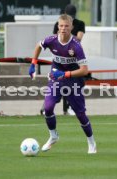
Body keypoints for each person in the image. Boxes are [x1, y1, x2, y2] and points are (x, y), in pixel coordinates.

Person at [28, 14, 97, 154]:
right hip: (56, 78)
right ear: (57, 27)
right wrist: (33, 64)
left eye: (66, 26)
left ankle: (91, 142)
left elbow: (84, 70)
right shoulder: (52, 40)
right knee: (48, 108)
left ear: (71, 27)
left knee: (80, 114)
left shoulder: (76, 46)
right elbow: (38, 45)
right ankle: (53, 135)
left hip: (73, 81)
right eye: (61, 26)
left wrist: (65, 74)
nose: (63, 28)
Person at [53, 4, 85, 115]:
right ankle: (48, 108)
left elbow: (79, 38)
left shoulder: (80, 23)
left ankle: (72, 106)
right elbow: (56, 39)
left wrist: (69, 37)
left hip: (74, 57)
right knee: (57, 82)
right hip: (61, 58)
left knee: (76, 82)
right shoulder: (59, 24)